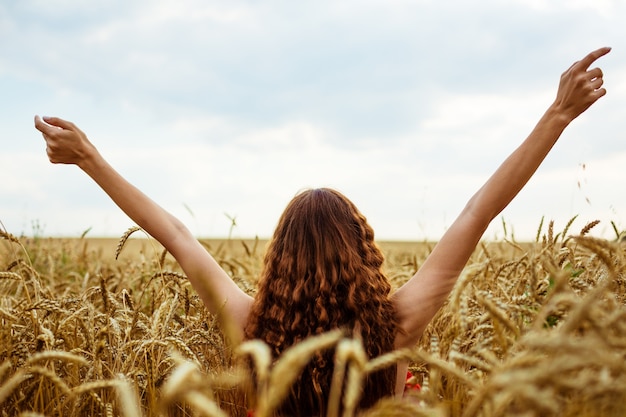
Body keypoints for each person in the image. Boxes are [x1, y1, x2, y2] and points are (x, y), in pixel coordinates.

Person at [34, 46, 611, 416]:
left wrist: (90, 158)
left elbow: (178, 237)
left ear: (278, 259)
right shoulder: (397, 328)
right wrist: (557, 116)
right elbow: (476, 213)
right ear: (362, 251)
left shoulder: (251, 329)